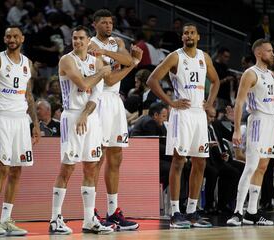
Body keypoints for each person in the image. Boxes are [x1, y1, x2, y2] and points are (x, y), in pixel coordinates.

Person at [147, 22, 220, 228]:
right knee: (179, 162)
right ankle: (175, 212)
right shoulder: (175, 56)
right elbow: (152, 80)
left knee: (200, 163)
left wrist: (210, 102)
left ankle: (192, 211)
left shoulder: (204, 57)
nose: (189, 36)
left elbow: (216, 81)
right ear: (182, 37)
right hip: (182, 114)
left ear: (198, 37)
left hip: (199, 115)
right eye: (185, 33)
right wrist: (170, 102)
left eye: (192, 33)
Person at [48, 25, 113, 235]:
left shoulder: (95, 62)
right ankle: (55, 218)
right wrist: (102, 72)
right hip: (71, 116)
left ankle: (89, 220)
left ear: (88, 41)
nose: (77, 42)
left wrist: (86, 113)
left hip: (89, 117)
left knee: (91, 167)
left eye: (81, 38)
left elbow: (95, 95)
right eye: (74, 38)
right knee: (67, 168)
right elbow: (84, 84)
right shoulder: (67, 60)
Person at [0, 26, 41, 236]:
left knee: (17, 170)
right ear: (4, 38)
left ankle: (6, 219)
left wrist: (36, 124)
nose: (11, 39)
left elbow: (29, 96)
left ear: (22, 38)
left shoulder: (27, 63)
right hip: (0, 120)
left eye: (15, 36)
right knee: (3, 168)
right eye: (8, 36)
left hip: (21, 121)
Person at [89, 9, 141, 231]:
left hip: (115, 103)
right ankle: (90, 211)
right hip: (98, 100)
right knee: (96, 159)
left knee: (115, 157)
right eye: (103, 23)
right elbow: (109, 78)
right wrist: (131, 64)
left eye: (110, 23)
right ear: (95, 25)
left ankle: (113, 211)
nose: (108, 26)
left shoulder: (117, 40)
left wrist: (125, 60)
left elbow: (127, 58)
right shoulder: (90, 45)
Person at [226, 39, 274, 226]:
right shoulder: (250, 74)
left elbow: (272, 104)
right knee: (250, 166)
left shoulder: (271, 75)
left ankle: (252, 212)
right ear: (259, 53)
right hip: (257, 121)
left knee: (262, 167)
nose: (272, 54)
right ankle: (237, 212)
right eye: (269, 51)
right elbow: (240, 102)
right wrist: (236, 129)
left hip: (271, 122)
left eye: (272, 50)